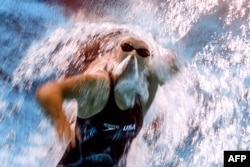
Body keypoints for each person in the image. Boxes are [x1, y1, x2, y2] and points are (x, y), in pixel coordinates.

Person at [36, 36, 178, 167]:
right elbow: (48, 92)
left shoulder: (144, 93)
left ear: (147, 63)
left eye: (143, 52)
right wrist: (60, 117)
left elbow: (183, 55)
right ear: (116, 55)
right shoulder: (99, 86)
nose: (133, 54)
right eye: (127, 47)